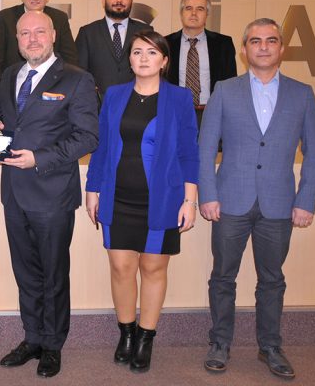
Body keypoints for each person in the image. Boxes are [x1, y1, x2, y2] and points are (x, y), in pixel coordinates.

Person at [199, 18, 315, 379]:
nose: (264, 46)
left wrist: (306, 200)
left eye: (271, 40)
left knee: (272, 280)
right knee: (223, 277)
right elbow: (205, 147)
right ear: (244, 49)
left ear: (281, 48)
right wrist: (208, 194)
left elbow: (314, 153)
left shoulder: (302, 94)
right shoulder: (225, 90)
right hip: (229, 201)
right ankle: (219, 343)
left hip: (279, 204)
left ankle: (270, 346)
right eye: (255, 41)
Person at [85, 30, 199, 373]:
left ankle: (146, 337)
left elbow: (189, 152)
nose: (143, 58)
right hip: (118, 197)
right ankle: (127, 333)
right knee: (121, 268)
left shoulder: (179, 98)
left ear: (164, 61)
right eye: (137, 52)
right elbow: (102, 147)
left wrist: (190, 200)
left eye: (151, 53)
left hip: (162, 199)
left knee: (153, 268)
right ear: (130, 59)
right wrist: (92, 189)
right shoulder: (115, 95)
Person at [0, 11, 98, 378]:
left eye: (40, 31)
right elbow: (12, 121)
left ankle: (53, 344)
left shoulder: (77, 79)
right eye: (25, 33)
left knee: (53, 274)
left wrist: (40, 158)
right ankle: (33, 337)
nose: (32, 38)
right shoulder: (10, 76)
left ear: (53, 35)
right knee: (25, 273)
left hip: (52, 194)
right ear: (17, 38)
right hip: (14, 193)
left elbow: (87, 137)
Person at [0, 0, 80, 113]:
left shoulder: (60, 18)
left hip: (51, 94)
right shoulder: (5, 18)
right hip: (15, 92)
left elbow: (70, 58)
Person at [165, 0, 237, 125]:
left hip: (212, 114)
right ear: (181, 13)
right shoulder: (166, 43)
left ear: (207, 14)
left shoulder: (223, 44)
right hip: (174, 113)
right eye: (188, 8)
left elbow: (230, 83)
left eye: (200, 9)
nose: (193, 13)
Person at [75, 0, 153, 98]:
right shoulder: (87, 32)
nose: (119, 0)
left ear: (131, 2)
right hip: (98, 103)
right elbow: (79, 72)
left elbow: (152, 69)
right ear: (103, 1)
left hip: (136, 101)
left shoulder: (145, 31)